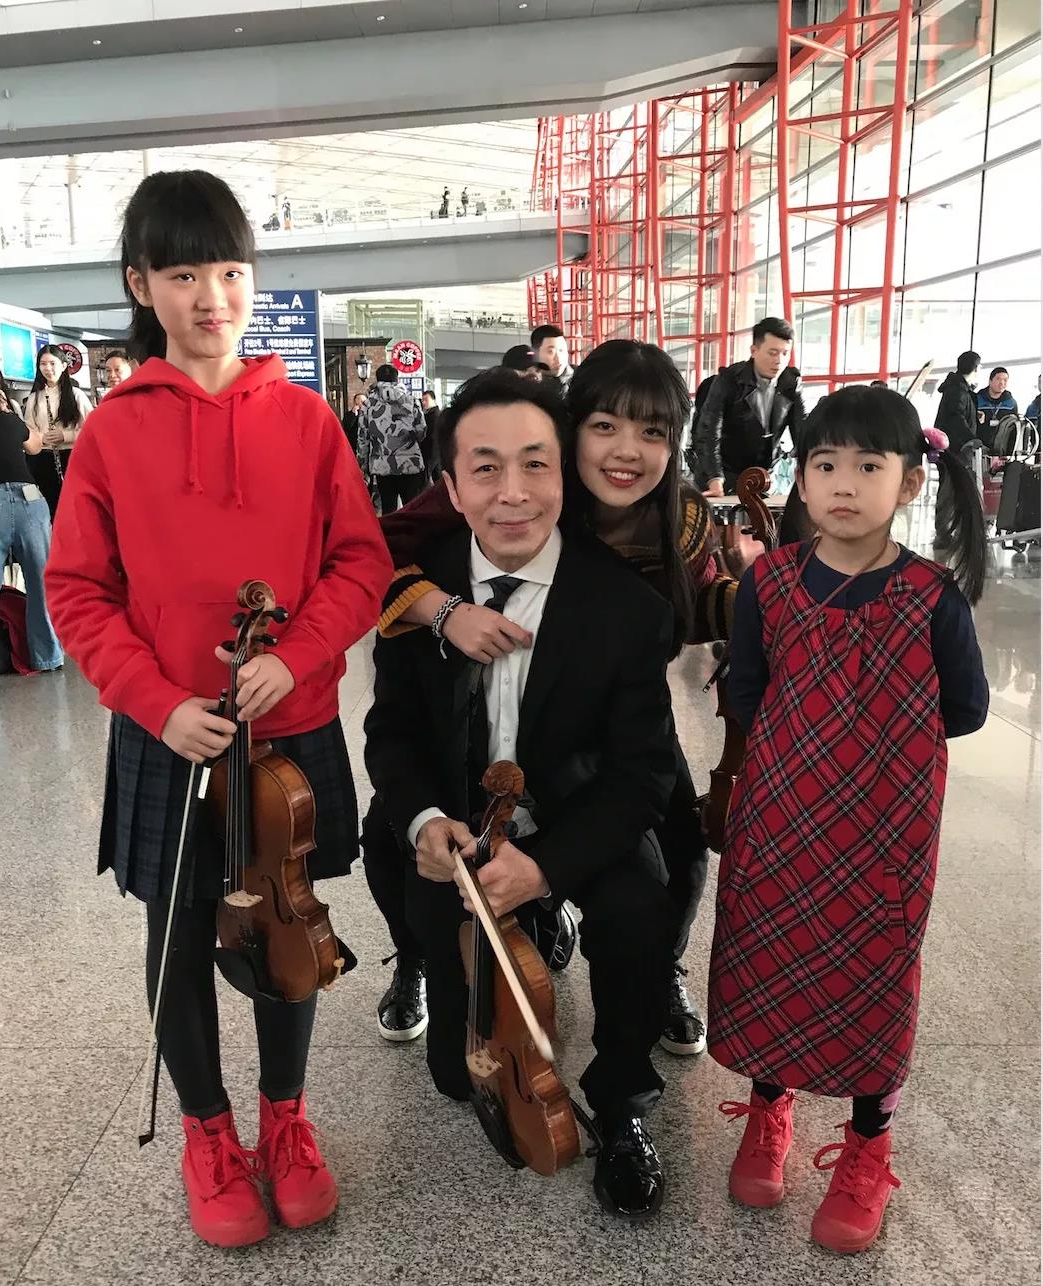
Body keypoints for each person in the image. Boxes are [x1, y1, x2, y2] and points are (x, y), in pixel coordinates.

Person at [43, 169, 392, 1249]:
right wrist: (154, 702)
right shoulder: (111, 431)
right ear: (140, 283)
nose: (212, 298)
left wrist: (298, 655)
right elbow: (77, 590)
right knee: (179, 928)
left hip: (290, 722)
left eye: (232, 272)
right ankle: (208, 1131)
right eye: (185, 274)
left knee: (287, 917)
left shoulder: (306, 418)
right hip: (172, 731)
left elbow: (360, 562)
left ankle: (287, 1118)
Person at [363, 368, 678, 1220]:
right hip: (461, 818)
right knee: (452, 1074)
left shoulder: (626, 607)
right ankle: (421, 959)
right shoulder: (417, 593)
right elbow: (391, 731)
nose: (514, 494)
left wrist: (545, 870)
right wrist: (425, 820)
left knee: (641, 903)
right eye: (486, 468)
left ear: (563, 472)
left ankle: (622, 1098)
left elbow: (642, 773)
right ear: (450, 482)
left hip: (572, 810)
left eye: (536, 464)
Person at [367, 340, 738, 1059]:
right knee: (387, 835)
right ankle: (415, 959)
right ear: (572, 435)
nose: (626, 451)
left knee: (674, 843)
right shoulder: (508, 487)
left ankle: (659, 974)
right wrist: (443, 610)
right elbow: (368, 554)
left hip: (611, 708)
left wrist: (759, 599)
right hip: (510, 706)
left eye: (653, 431)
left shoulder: (681, 516)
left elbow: (694, 608)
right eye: (604, 426)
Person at [710, 385, 988, 1255]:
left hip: (886, 832)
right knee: (770, 950)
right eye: (824, 464)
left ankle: (869, 1142)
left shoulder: (933, 596)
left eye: (869, 466)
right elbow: (746, 690)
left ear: (909, 483)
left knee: (876, 970)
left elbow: (966, 708)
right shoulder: (769, 583)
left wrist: (874, 744)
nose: (843, 483)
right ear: (801, 481)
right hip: (780, 814)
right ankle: (770, 1108)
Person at [0, 382, 63, 695]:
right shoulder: (8, 420)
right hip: (30, 498)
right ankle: (49, 656)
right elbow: (35, 446)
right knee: (41, 582)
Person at [692, 317, 805, 497]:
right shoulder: (729, 379)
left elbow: (803, 433)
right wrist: (715, 478)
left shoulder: (791, 383)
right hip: (724, 474)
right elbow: (708, 432)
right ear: (754, 351)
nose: (779, 361)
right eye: (773, 353)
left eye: (785, 353)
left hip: (765, 477)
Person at [24, 345, 93, 517]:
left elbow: (91, 429)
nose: (48, 368)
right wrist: (42, 438)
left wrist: (66, 436)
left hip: (71, 456)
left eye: (52, 363)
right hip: (43, 459)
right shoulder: (34, 398)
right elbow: (29, 431)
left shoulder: (77, 395)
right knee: (49, 508)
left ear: (63, 366)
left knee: (74, 507)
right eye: (43, 364)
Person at [358, 364, 429, 515]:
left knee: (388, 511)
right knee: (412, 511)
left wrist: (363, 465)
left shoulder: (367, 404)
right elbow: (421, 431)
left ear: (377, 380)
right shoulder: (411, 400)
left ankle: (391, 531)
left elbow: (363, 438)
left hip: (382, 465)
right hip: (410, 464)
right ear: (397, 379)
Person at [933, 350, 980, 451]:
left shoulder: (958, 387)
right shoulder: (958, 389)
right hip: (956, 448)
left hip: (952, 445)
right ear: (975, 368)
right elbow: (956, 417)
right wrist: (971, 440)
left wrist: (973, 415)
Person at [976, 366, 1018, 446]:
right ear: (990, 381)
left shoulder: (1011, 403)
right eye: (998, 379)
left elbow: (1014, 428)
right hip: (981, 446)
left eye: (1005, 380)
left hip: (1004, 447)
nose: (1002, 382)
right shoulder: (977, 400)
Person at [530, 324, 575, 390]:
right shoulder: (525, 384)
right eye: (551, 351)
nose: (558, 358)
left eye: (561, 350)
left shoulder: (581, 378)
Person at [421, 389, 440, 478]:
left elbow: (432, 436)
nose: (423, 402)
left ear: (433, 400)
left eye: (426, 400)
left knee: (425, 478)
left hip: (431, 452)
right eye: (422, 400)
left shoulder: (435, 416)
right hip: (435, 452)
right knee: (438, 477)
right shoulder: (429, 414)